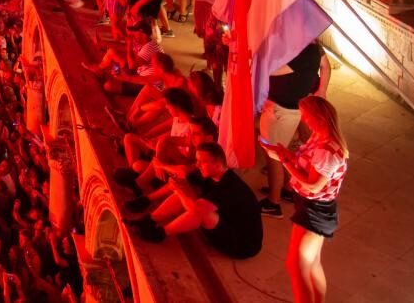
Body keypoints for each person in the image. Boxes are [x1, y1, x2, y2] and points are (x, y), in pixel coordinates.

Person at [263, 96, 348, 303]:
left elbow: (313, 184)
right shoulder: (319, 136)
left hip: (315, 211)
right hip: (310, 207)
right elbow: (306, 166)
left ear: (319, 118)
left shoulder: (328, 150)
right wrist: (284, 154)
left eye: (307, 116)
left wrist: (284, 160)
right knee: (312, 263)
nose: (305, 120)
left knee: (296, 265)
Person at [129, 142, 263, 258]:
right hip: (226, 223)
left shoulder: (229, 187)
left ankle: (160, 233)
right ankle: (151, 219)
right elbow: (183, 174)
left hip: (242, 245)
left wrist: (180, 191)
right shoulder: (211, 173)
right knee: (183, 189)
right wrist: (176, 182)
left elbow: (195, 210)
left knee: (199, 210)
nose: (198, 165)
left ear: (217, 165)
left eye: (202, 162)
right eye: (197, 161)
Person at [260, 41, 329, 217]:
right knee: (287, 149)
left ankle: (273, 202)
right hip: (295, 105)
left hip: (282, 109)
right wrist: (321, 91)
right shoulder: (314, 48)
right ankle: (287, 189)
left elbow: (271, 69)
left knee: (274, 153)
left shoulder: (302, 52)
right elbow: (326, 66)